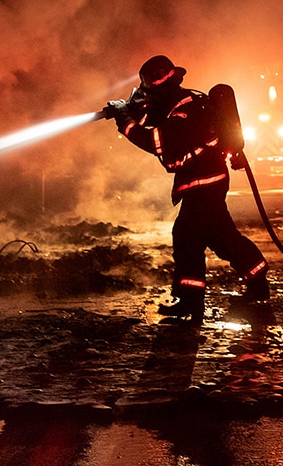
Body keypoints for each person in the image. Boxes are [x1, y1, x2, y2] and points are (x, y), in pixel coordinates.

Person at [105, 55, 270, 324]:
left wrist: (124, 120)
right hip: (205, 183)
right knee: (221, 238)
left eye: (153, 91)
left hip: (203, 184)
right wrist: (128, 108)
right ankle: (256, 282)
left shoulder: (186, 112)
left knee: (187, 238)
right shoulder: (178, 105)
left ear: (166, 87)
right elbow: (153, 117)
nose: (151, 96)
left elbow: (154, 141)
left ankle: (192, 302)